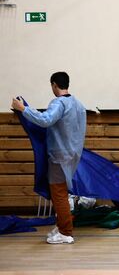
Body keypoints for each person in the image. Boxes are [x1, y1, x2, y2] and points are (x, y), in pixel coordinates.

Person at [11, 72, 86, 244]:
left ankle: (66, 232)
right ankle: (61, 226)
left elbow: (46, 120)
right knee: (61, 192)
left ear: (54, 85)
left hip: (59, 155)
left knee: (59, 194)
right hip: (73, 154)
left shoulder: (59, 103)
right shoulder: (78, 104)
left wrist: (23, 109)